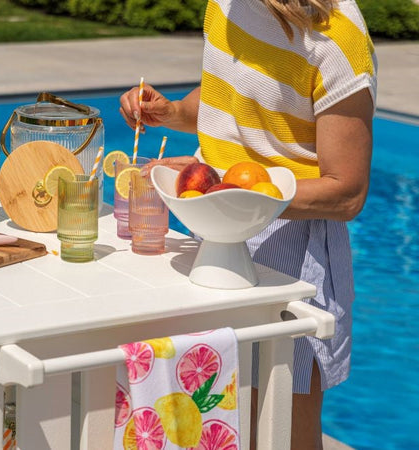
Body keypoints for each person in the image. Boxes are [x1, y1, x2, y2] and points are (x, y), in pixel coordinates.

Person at [119, 0, 376, 448]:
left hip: (292, 250)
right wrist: (175, 112)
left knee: (278, 428)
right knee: (210, 417)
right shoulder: (226, 4)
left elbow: (347, 191)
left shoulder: (338, 39)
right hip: (212, 233)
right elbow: (231, 98)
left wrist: (231, 195)